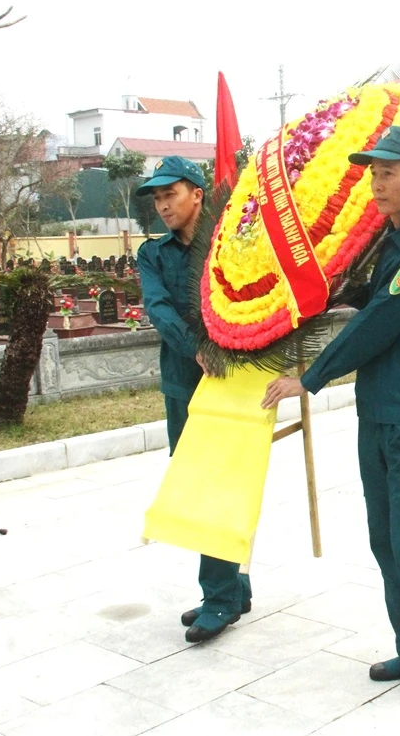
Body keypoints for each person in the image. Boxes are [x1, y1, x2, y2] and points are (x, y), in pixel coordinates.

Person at [260, 126, 400, 705]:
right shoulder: (396, 239)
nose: (375, 183)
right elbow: (360, 299)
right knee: (385, 537)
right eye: (372, 172)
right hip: (381, 406)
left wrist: (308, 378)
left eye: (387, 172)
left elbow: (378, 321)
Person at [135, 156, 253, 644]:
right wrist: (197, 348)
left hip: (234, 382)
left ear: (198, 195)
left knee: (219, 484)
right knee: (196, 481)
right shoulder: (153, 254)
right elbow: (158, 308)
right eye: (157, 198)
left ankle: (221, 596)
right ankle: (233, 585)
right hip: (185, 383)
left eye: (172, 195)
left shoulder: (230, 245)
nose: (163, 205)